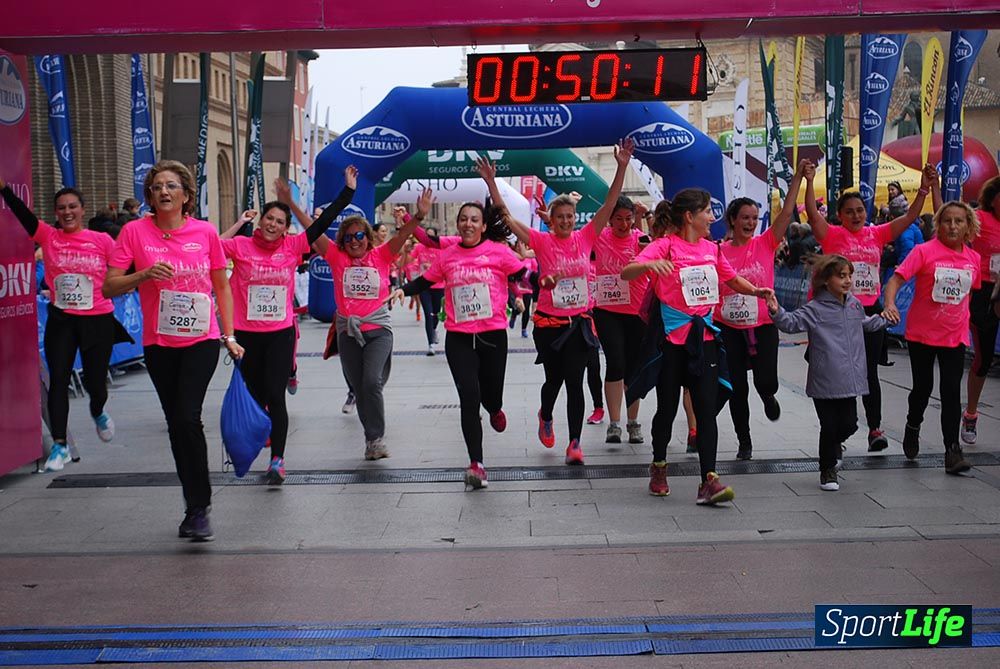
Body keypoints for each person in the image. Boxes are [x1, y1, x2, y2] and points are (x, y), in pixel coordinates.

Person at [104, 160, 243, 542]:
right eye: (156, 187)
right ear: (149, 196)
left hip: (201, 340)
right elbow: (109, 286)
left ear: (186, 195)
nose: (163, 191)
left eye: (171, 186)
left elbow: (222, 286)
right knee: (176, 424)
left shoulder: (205, 232)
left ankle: (199, 508)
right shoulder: (134, 232)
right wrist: (144, 274)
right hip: (159, 344)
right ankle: (193, 504)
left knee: (187, 417)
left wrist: (229, 335)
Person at [478, 139, 634, 465]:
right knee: (555, 381)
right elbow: (507, 217)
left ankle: (574, 443)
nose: (565, 221)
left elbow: (609, 204)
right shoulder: (541, 241)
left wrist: (621, 166)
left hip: (579, 324)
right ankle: (545, 413)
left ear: (575, 218)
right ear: (551, 219)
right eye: (560, 217)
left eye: (569, 216)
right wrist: (491, 182)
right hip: (549, 324)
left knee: (575, 382)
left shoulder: (586, 236)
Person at [621, 189, 773, 503]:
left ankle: (709, 480)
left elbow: (732, 279)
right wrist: (651, 265)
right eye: (707, 212)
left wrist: (757, 291)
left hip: (704, 341)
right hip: (671, 342)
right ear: (690, 216)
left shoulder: (711, 249)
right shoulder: (665, 245)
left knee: (705, 410)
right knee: (666, 409)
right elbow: (627, 271)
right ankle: (659, 466)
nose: (712, 218)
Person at [220, 166, 357, 484]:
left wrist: (348, 191)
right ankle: (259, 437)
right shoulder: (240, 246)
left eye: (280, 222)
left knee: (275, 395)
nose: (273, 224)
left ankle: (277, 461)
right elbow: (209, 245)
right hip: (246, 335)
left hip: (279, 334)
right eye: (269, 218)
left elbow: (324, 221)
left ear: (285, 228)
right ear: (261, 221)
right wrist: (239, 223)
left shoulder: (294, 246)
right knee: (255, 395)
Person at [804, 163, 936, 452]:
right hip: (834, 313)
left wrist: (924, 189)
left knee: (869, 372)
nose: (856, 216)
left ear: (867, 212)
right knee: (836, 371)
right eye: (849, 211)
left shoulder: (876, 234)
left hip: (869, 310)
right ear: (840, 215)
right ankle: (836, 430)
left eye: (860, 211)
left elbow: (909, 217)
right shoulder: (831, 234)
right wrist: (810, 181)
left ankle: (874, 429)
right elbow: (812, 214)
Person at [393, 201, 524, 489]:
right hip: (459, 337)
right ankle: (477, 464)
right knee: (469, 397)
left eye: (474, 219)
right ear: (458, 224)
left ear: (484, 226)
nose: (468, 224)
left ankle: (495, 409)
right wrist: (402, 290)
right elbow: (425, 281)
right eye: (463, 219)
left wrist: (531, 285)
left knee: (491, 397)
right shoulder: (448, 255)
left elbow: (521, 273)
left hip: (493, 335)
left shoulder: (498, 251)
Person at [0, 177, 124, 471]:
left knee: (96, 384)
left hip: (97, 319)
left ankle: (98, 411)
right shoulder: (48, 237)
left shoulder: (102, 241)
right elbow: (23, 214)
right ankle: (59, 444)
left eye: (72, 207)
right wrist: (4, 189)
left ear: (82, 209)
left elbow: (121, 269)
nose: (67, 212)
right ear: (56, 212)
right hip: (62, 320)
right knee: (58, 380)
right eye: (61, 208)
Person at [311, 190, 427, 460]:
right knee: (360, 387)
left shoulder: (382, 255)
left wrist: (419, 216)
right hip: (348, 332)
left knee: (371, 382)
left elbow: (402, 235)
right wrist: (292, 204)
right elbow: (313, 232)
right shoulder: (336, 257)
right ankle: (371, 440)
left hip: (378, 331)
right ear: (342, 241)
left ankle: (377, 437)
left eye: (359, 235)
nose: (354, 241)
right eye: (349, 237)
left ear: (368, 237)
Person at [766, 255, 894, 491]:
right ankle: (827, 470)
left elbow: (865, 323)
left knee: (850, 424)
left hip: (849, 380)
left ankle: (834, 446)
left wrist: (885, 320)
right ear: (826, 280)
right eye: (841, 276)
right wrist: (776, 311)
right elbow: (791, 323)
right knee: (829, 426)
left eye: (849, 276)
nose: (847, 281)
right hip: (824, 379)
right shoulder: (816, 308)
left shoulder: (854, 304)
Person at [716, 160, 806, 460]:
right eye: (745, 217)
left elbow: (786, 213)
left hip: (764, 323)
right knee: (736, 387)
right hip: (729, 327)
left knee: (765, 380)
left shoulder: (766, 242)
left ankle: (768, 395)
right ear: (732, 220)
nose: (750, 223)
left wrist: (796, 179)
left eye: (755, 218)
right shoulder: (718, 251)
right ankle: (744, 441)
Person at [883, 202, 979, 473]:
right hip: (922, 334)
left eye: (959, 221)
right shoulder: (924, 251)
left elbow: (970, 294)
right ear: (939, 224)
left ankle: (952, 451)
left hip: (954, 336)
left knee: (951, 392)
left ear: (968, 226)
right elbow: (896, 280)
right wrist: (889, 304)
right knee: (922, 389)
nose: (953, 226)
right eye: (947, 221)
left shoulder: (973, 258)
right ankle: (913, 425)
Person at [591, 195, 650, 444]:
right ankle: (614, 424)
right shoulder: (600, 237)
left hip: (636, 311)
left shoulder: (640, 239)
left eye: (628, 219)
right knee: (615, 362)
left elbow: (655, 249)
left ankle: (633, 422)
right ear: (610, 219)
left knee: (634, 367)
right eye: (618, 219)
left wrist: (646, 217)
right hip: (607, 310)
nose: (624, 224)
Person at [962, 176, 1000, 444]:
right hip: (984, 291)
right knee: (984, 359)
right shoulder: (980, 219)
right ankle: (971, 414)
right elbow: (948, 219)